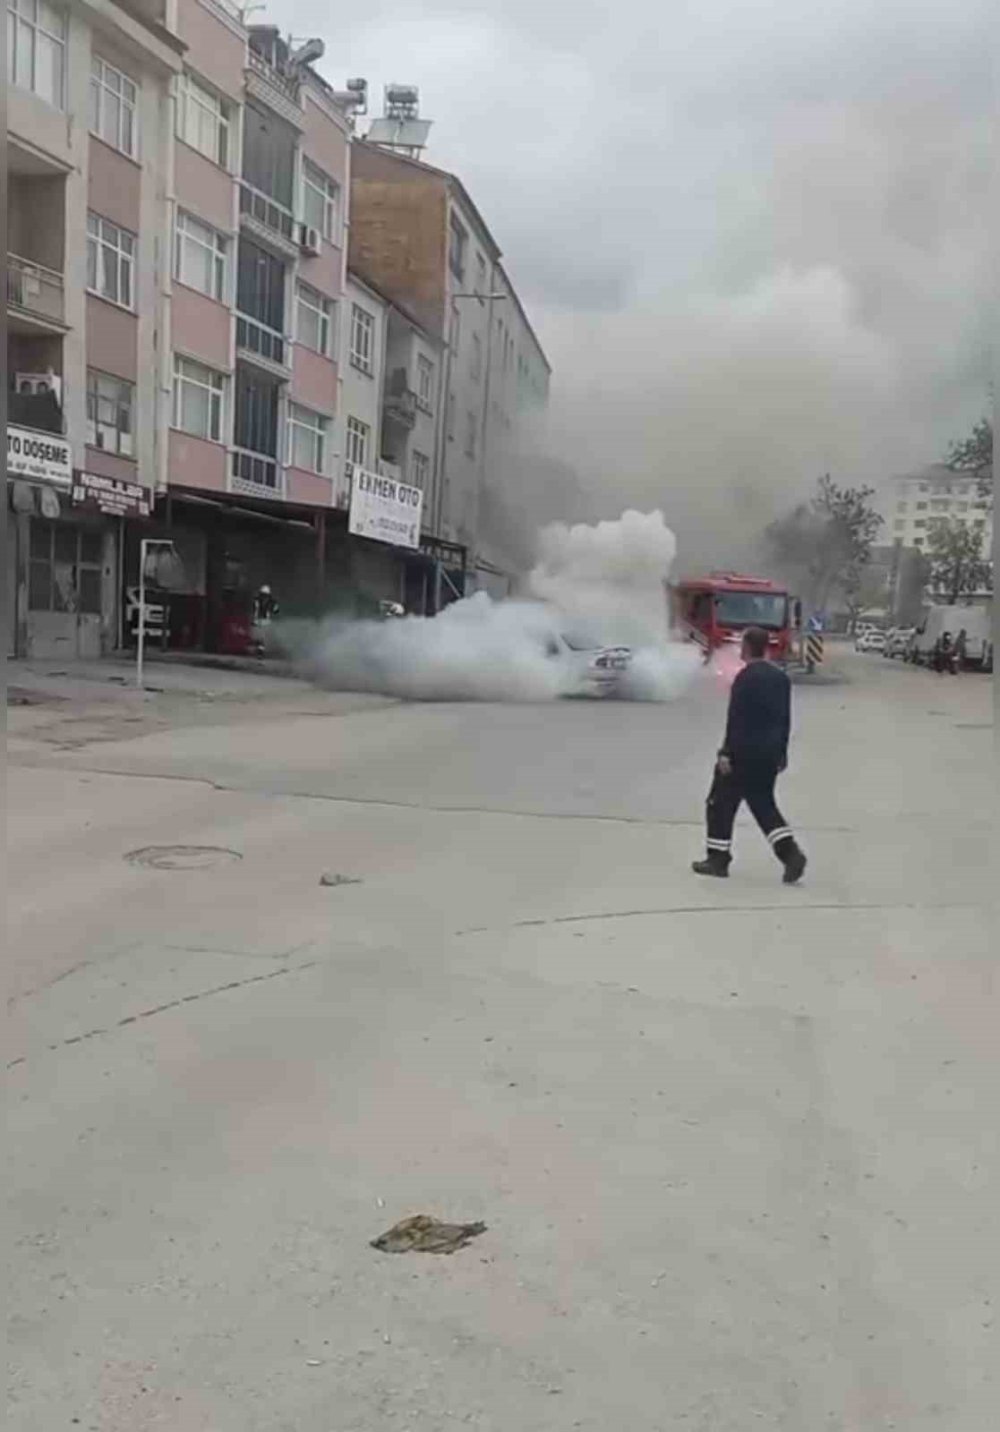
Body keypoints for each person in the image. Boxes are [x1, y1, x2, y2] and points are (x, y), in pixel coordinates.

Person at [693, 626, 807, 884]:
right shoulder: (781, 679)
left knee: (720, 803)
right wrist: (781, 753)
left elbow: (737, 720)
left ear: (745, 648)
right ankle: (791, 855)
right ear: (766, 647)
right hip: (768, 755)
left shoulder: (745, 678)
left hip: (742, 754)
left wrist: (726, 753)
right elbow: (784, 720)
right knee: (764, 805)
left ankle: (718, 859)